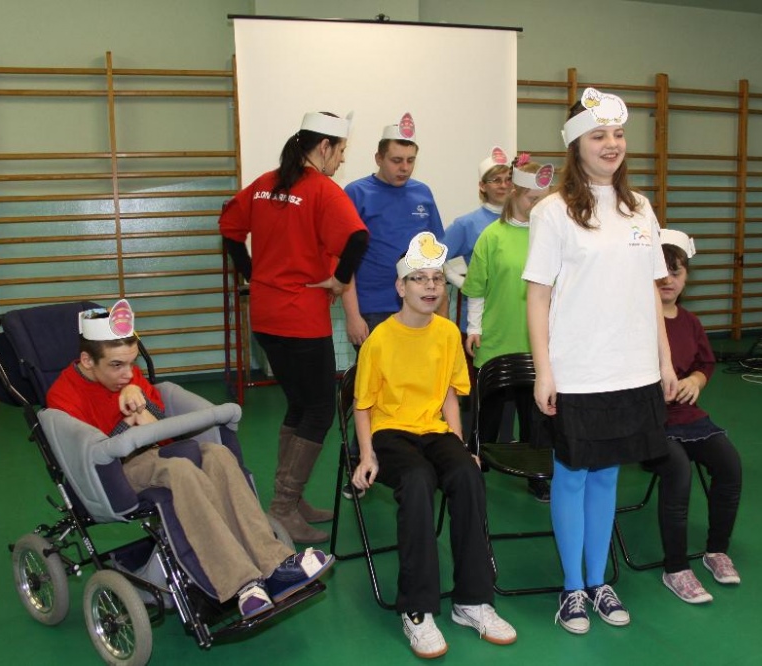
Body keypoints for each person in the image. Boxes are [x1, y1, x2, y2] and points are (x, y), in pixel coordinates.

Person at [46, 300, 335, 620]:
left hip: (154, 451)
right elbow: (97, 452)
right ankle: (240, 583)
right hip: (114, 470)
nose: (128, 374)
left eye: (131, 363)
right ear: (87, 361)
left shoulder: (129, 377)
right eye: (116, 365)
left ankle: (276, 566)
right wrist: (129, 420)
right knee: (181, 471)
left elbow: (156, 425)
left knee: (218, 455)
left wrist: (140, 406)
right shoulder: (63, 397)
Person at [523, 87, 678, 635]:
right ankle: (571, 588)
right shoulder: (552, 211)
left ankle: (598, 580)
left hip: (632, 369)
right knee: (571, 476)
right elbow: (537, 295)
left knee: (608, 475)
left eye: (617, 134)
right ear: (576, 144)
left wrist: (664, 362)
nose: (611, 144)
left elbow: (651, 290)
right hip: (578, 371)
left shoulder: (640, 208)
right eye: (598, 135)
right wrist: (545, 370)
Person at [350, 233, 517, 659]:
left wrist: (460, 445)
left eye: (437, 279)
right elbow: (363, 406)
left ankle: (472, 600)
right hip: (390, 432)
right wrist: (366, 455)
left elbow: (449, 396)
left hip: (434, 430)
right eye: (419, 278)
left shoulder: (446, 334)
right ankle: (417, 609)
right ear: (400, 287)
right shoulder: (379, 340)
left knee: (467, 474)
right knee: (418, 480)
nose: (430, 286)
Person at [219, 110, 369, 543]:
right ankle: (283, 508)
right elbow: (358, 238)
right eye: (341, 151)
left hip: (266, 315)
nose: (341, 159)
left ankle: (292, 498)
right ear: (324, 146)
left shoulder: (264, 184)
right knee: (319, 409)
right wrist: (340, 280)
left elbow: (229, 228)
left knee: (300, 406)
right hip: (301, 318)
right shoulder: (321, 189)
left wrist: (252, 274)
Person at [643, 228, 743, 604]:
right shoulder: (637, 321)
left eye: (676, 272)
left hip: (689, 417)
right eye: (661, 272)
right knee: (678, 471)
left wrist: (696, 381)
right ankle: (676, 568)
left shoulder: (691, 322)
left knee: (730, 466)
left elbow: (705, 363)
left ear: (686, 277)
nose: (668, 280)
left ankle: (716, 550)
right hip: (648, 422)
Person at [461, 155, 554, 501]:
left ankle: (536, 476)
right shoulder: (492, 236)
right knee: (488, 414)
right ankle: (474, 468)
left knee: (535, 416)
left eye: (542, 200)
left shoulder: (551, 236)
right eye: (532, 199)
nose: (538, 206)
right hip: (498, 339)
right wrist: (474, 328)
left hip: (538, 342)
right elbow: (476, 288)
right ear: (514, 193)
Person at [342, 112, 445, 347]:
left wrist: (439, 308)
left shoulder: (423, 193)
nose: (404, 168)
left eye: (410, 160)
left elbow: (434, 257)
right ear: (379, 158)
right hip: (372, 309)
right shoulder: (357, 193)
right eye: (396, 160)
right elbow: (344, 260)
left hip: (418, 304)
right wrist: (353, 316)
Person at [443, 146, 512, 332]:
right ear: (482, 186)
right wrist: (458, 280)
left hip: (513, 314)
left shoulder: (524, 221)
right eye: (496, 180)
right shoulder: (466, 224)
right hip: (477, 320)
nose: (504, 185)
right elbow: (433, 258)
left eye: (508, 179)